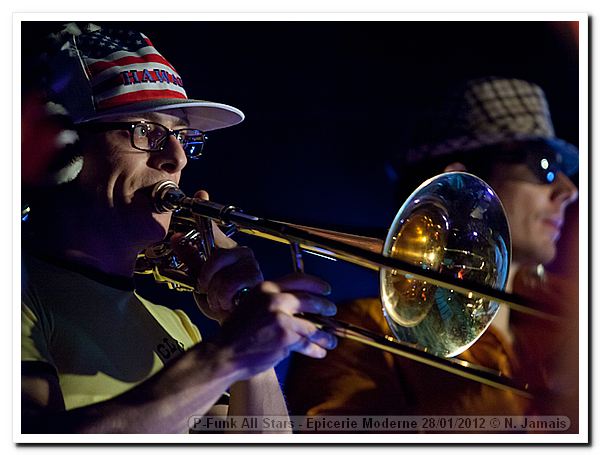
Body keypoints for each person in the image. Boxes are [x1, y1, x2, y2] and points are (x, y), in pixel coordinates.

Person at [21, 23, 338, 434]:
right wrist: (225, 357)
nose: (178, 158)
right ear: (63, 151)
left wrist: (245, 333)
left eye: (183, 137)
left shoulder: (178, 324)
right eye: (146, 131)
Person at [285, 77, 580, 432]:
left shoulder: (570, 313)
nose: (568, 190)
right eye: (543, 164)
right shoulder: (360, 330)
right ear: (464, 181)